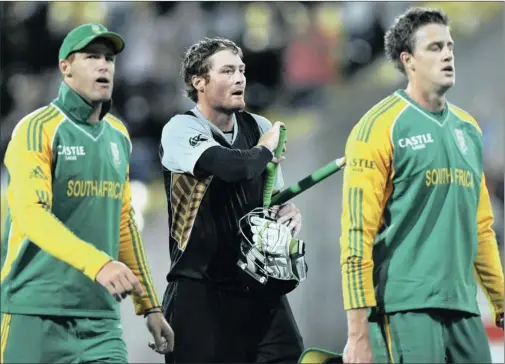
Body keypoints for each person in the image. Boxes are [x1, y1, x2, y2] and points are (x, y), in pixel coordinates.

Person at [0, 23, 174, 363]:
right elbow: (32, 213)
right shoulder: (37, 129)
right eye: (91, 56)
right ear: (65, 67)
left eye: (109, 58)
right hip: (34, 314)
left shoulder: (118, 136)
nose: (103, 65)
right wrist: (99, 265)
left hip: (101, 323)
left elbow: (123, 223)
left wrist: (150, 303)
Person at [339, 7, 504, 363]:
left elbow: (481, 229)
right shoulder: (379, 127)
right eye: (434, 47)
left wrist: (501, 301)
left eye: (450, 46)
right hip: (405, 308)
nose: (447, 54)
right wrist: (357, 334)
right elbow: (356, 236)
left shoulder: (469, 131)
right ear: (408, 60)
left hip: (463, 307)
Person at [159, 37, 305, 363]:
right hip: (199, 290)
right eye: (227, 71)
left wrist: (287, 210)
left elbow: (268, 196)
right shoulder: (180, 129)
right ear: (199, 82)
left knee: (290, 355)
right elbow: (231, 167)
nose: (240, 78)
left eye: (241, 70)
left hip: (257, 282)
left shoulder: (259, 127)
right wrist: (265, 149)